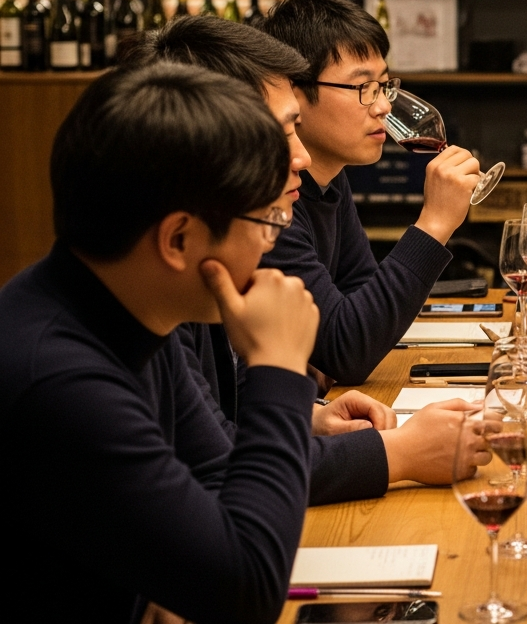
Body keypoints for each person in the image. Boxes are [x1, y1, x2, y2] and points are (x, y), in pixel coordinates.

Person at [121, 17, 491, 504]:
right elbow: (228, 491)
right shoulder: (107, 339)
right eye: (281, 133)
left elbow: (221, 421)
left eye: (384, 86)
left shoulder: (185, 281)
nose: (299, 157)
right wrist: (395, 454)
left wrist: (306, 413)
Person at [0, 63, 320, 621]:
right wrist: (280, 370)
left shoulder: (128, 307)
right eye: (269, 219)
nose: (274, 242)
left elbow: (217, 475)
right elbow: (246, 591)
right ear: (177, 239)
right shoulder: (59, 379)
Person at [261, 0, 483, 386]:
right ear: (294, 93)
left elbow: (362, 302)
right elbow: (349, 350)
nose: (382, 106)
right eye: (363, 87)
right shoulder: (268, 197)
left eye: (384, 85)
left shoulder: (331, 179)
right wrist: (434, 225)